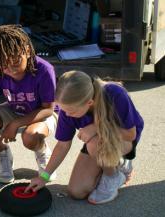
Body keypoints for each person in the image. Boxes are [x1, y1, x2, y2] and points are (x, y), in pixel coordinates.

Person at [26, 70, 144, 204]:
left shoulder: (115, 93)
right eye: (64, 110)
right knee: (76, 192)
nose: (67, 115)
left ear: (89, 103)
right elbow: (63, 145)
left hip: (123, 140)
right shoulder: (68, 109)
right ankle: (110, 163)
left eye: (71, 111)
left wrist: (95, 127)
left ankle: (114, 176)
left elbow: (130, 134)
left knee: (94, 144)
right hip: (96, 141)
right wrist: (44, 177)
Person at [0, 24, 58, 184]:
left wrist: (15, 125)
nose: (11, 69)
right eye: (4, 65)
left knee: (30, 136)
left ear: (27, 50)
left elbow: (48, 109)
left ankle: (42, 152)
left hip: (41, 114)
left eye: (15, 61)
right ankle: (3, 155)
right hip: (14, 109)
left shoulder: (45, 70)